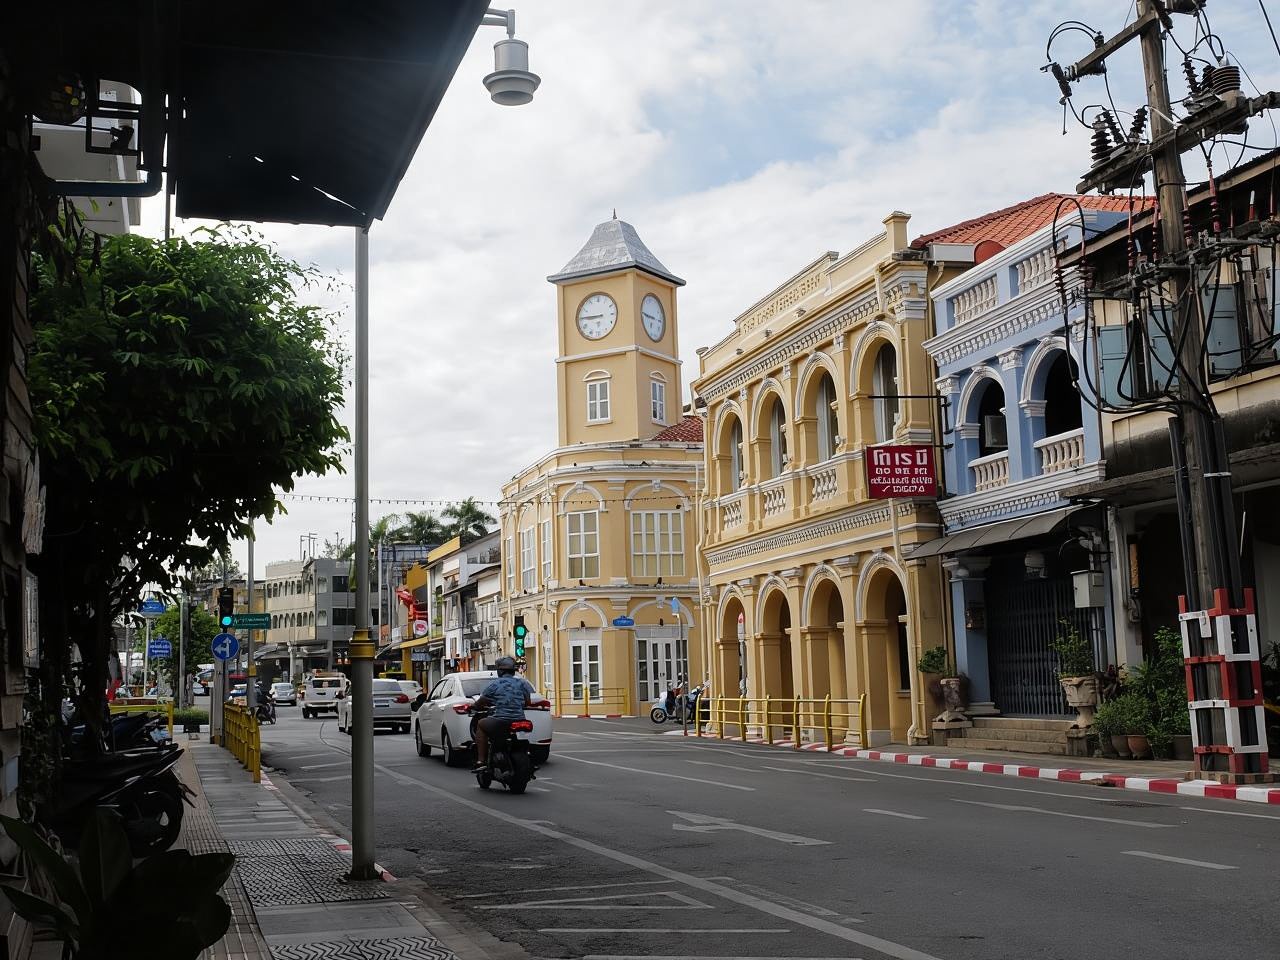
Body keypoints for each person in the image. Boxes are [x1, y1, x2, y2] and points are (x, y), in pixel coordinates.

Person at [471, 656, 530, 772]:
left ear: (500, 670)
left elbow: (481, 701)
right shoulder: (522, 683)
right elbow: (527, 702)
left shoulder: (495, 684)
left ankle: (481, 761)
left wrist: (474, 706)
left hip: (501, 721)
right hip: (520, 720)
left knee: (481, 725)